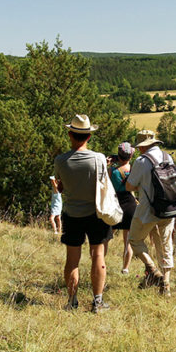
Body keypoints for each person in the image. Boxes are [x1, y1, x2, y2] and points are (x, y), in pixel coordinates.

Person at [53, 114, 112, 313]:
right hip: (96, 213)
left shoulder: (60, 161)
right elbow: (104, 184)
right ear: (88, 137)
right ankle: (97, 301)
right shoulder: (99, 159)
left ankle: (72, 301)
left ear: (70, 135)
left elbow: (61, 188)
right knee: (98, 256)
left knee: (72, 260)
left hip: (72, 214)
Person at [126, 132, 176, 295]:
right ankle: (166, 286)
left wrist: (141, 186)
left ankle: (153, 270)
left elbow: (129, 186)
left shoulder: (141, 161)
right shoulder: (168, 157)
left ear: (143, 146)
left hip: (148, 209)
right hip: (169, 207)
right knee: (165, 245)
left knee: (134, 239)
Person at [110, 142, 137, 275]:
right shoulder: (133, 169)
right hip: (131, 204)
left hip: (116, 203)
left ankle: (99, 259)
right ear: (130, 156)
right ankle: (125, 268)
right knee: (128, 241)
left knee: (107, 235)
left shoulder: (112, 171)